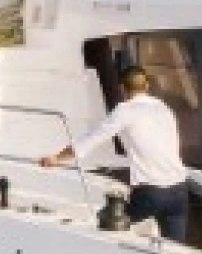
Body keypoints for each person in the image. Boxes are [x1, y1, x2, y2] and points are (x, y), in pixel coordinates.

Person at [40, 65, 189, 241]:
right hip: (179, 190)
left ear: (122, 88)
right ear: (147, 85)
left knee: (104, 224)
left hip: (151, 193)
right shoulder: (163, 108)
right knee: (175, 247)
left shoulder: (125, 111)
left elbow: (92, 139)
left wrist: (56, 158)